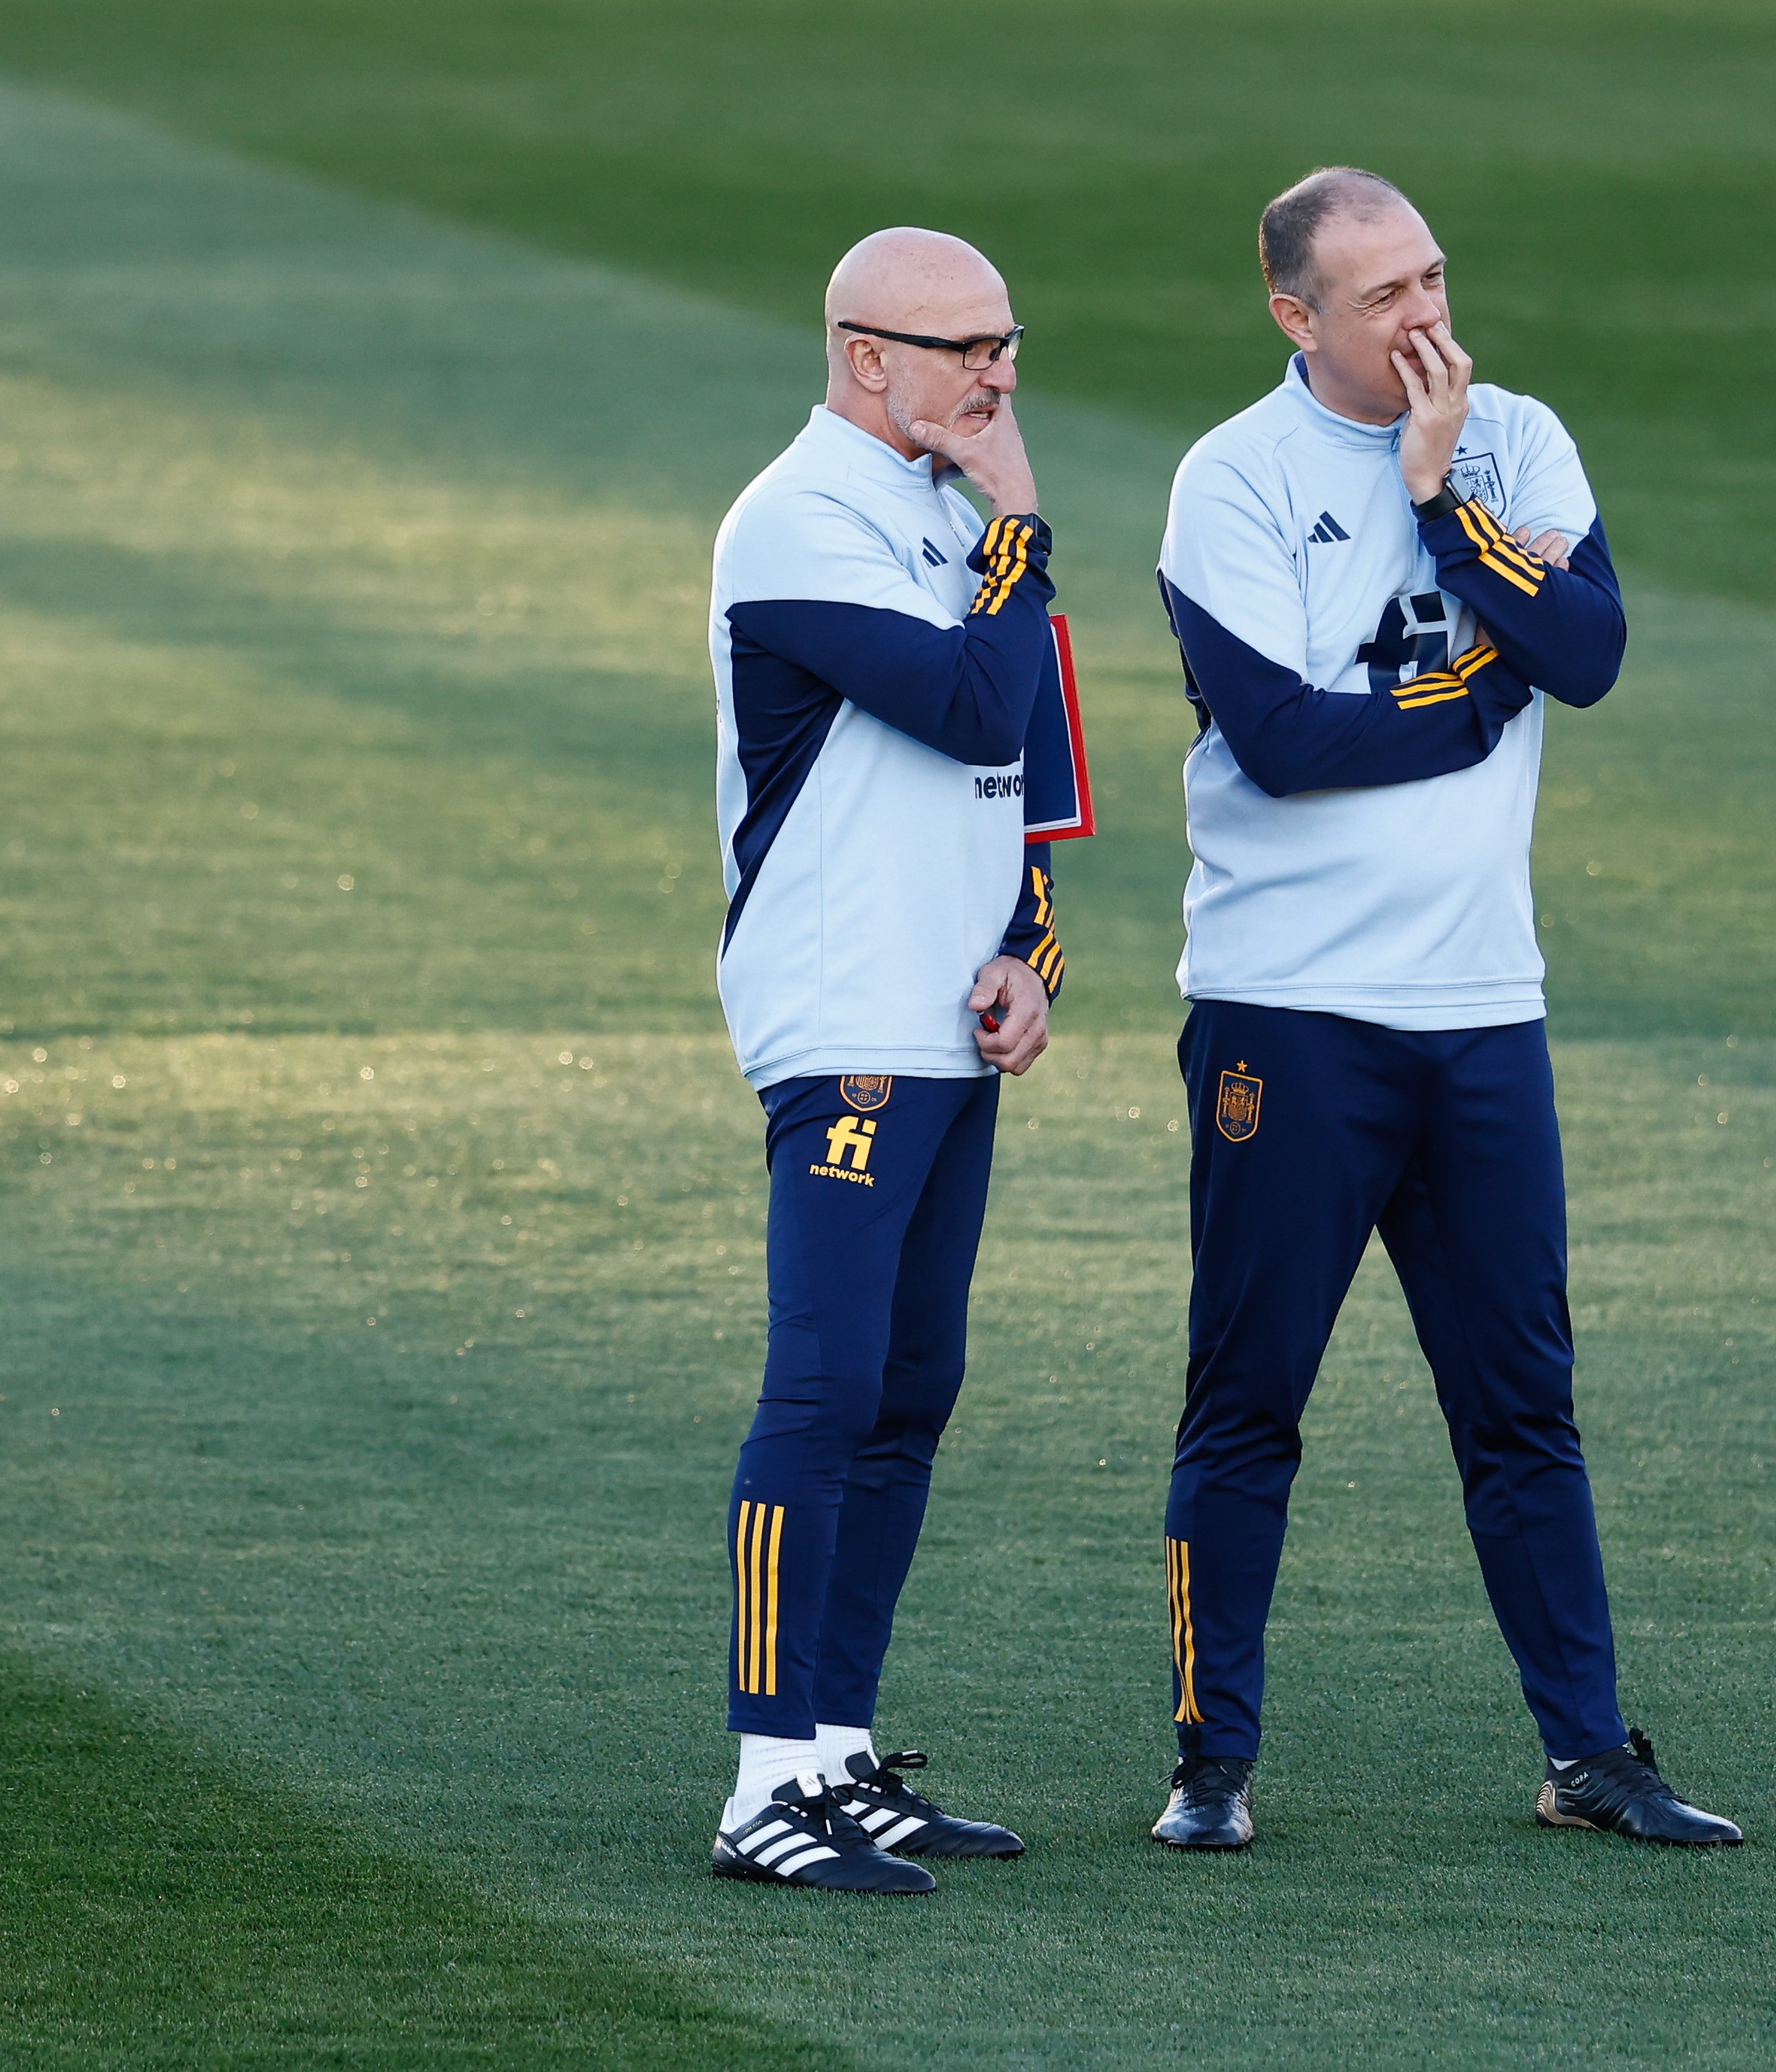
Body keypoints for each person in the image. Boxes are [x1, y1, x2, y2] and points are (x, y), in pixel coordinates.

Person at [1147, 168, 1742, 1851]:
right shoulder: (1231, 479)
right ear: (1296, 316)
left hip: (1483, 1008)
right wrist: (1478, 695)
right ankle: (1211, 1763)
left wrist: (1438, 507)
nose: (1426, 317)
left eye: (1432, 277)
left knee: (1522, 1403)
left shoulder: (1513, 440)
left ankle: (1590, 1754)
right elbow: (1284, 740)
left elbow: (1595, 648)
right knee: (1249, 1395)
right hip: (1288, 1009)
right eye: (1384, 294)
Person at [700, 227, 1068, 1895]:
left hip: (949, 1018)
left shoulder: (940, 510)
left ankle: (844, 1752)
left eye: (1006, 344)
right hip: (844, 1014)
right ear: (867, 356)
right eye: (966, 347)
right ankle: (767, 1774)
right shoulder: (803, 517)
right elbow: (971, 706)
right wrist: (1026, 525)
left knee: (911, 1391)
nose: (999, 375)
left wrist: (1031, 948)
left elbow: (1028, 773)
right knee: (827, 1386)